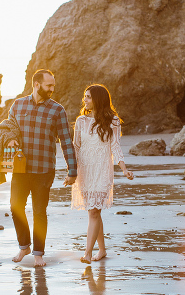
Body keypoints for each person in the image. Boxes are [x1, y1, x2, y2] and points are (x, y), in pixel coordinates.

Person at [6, 69, 78, 267]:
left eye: (53, 85)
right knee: (15, 207)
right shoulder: (18, 105)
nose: (52, 89)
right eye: (49, 86)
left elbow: (66, 141)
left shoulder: (57, 110)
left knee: (39, 211)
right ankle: (24, 247)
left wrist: (72, 170)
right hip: (20, 169)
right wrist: (11, 138)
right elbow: (7, 129)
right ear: (36, 84)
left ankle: (38, 253)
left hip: (44, 170)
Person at [70, 84, 133, 263]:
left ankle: (88, 253)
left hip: (102, 171)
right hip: (85, 171)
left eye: (88, 96)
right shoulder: (81, 121)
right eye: (85, 96)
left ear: (98, 99)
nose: (85, 100)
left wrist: (124, 169)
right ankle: (102, 250)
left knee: (94, 213)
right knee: (93, 211)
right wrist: (71, 171)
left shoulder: (112, 121)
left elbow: (115, 146)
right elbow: (76, 147)